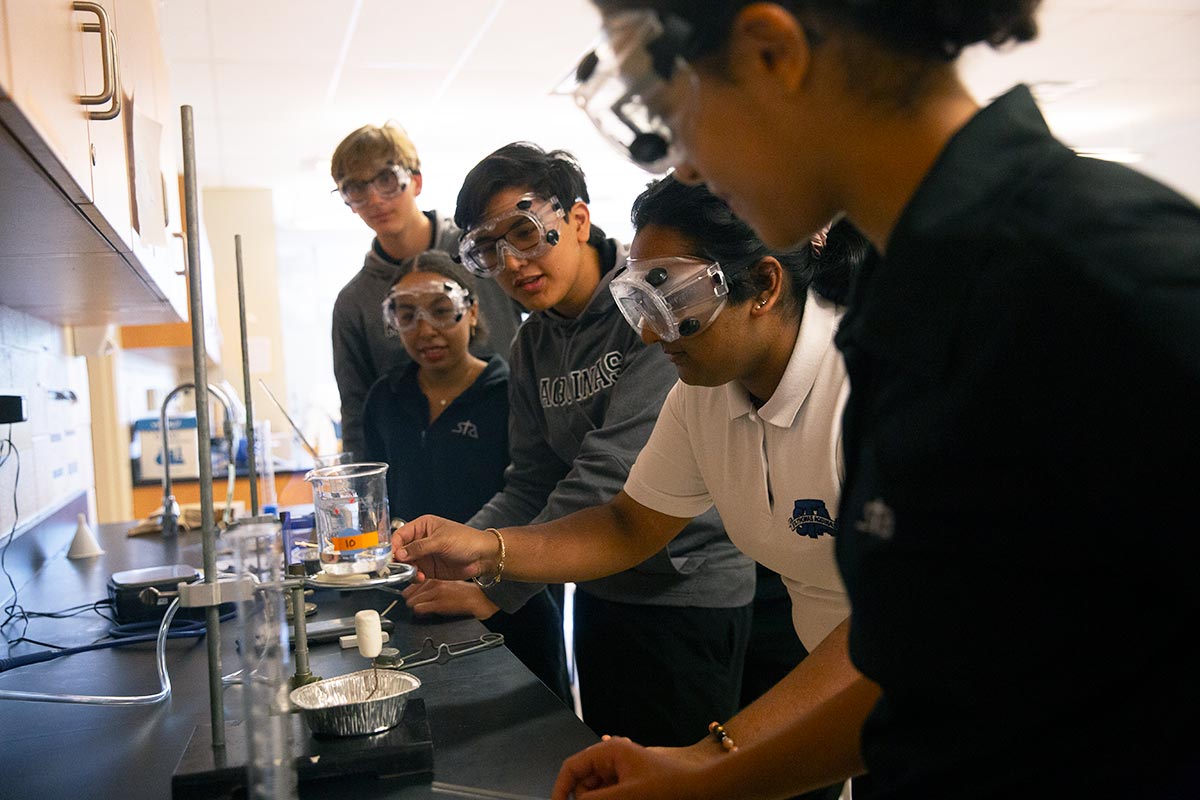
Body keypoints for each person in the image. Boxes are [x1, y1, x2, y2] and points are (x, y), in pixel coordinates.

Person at [533, 1, 1197, 798]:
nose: (687, 170)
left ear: (772, 52)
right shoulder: (903, 293)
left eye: (674, 115)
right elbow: (925, 660)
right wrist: (703, 778)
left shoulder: (1102, 276)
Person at [394, 174, 870, 798]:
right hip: (855, 700)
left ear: (763, 286)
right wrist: (487, 552)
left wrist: (709, 755)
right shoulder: (704, 393)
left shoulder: (868, 388)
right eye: (639, 300)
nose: (648, 333)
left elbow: (895, 625)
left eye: (672, 296)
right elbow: (627, 524)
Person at [398, 143, 758, 748]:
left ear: (578, 221)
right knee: (610, 761)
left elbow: (611, 475)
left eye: (525, 233)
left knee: (682, 779)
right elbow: (531, 479)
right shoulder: (531, 344)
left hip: (685, 595)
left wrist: (491, 572)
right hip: (596, 584)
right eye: (489, 250)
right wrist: (453, 553)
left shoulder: (649, 306)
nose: (512, 263)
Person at [361, 250, 570, 702]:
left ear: (472, 311)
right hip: (414, 602)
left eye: (441, 311)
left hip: (510, 603)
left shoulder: (511, 390)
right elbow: (373, 503)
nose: (426, 329)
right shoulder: (385, 398)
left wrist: (485, 589)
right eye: (407, 315)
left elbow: (540, 497)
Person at [330, 122, 522, 460]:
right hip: (416, 473)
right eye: (356, 188)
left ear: (415, 181)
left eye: (387, 180)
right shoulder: (354, 303)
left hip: (514, 447)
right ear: (348, 202)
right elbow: (356, 418)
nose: (375, 198)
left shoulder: (485, 252)